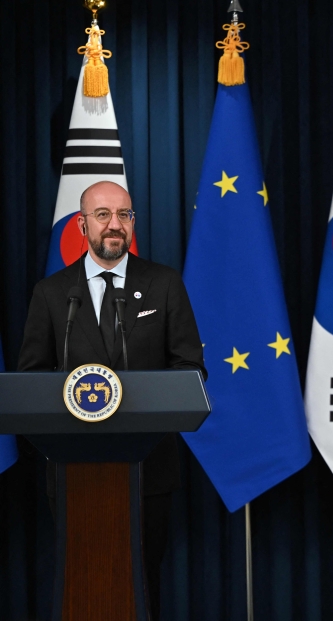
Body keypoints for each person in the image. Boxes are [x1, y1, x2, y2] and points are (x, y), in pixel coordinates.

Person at [18, 181, 206, 621]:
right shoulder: (51, 293)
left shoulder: (162, 284)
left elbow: (191, 370)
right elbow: (30, 380)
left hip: (148, 470)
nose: (115, 225)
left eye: (124, 215)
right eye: (103, 215)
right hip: (71, 470)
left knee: (142, 581)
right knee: (79, 580)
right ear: (82, 225)